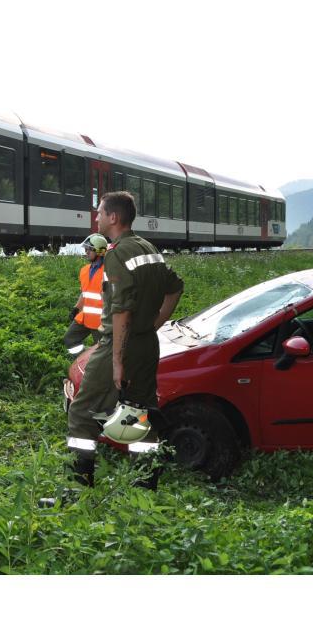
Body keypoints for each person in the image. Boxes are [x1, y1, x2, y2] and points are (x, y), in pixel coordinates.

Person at [61, 191, 183, 494]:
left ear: (113, 217)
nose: (97, 217)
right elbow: (175, 289)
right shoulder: (148, 248)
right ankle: (145, 487)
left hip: (120, 344)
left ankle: (78, 490)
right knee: (137, 412)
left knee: (81, 412)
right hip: (146, 345)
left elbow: (121, 310)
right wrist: (153, 324)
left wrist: (116, 359)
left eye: (100, 212)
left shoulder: (117, 254)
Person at [63, 233, 108, 357]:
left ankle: (93, 361)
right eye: (86, 249)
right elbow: (85, 293)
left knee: (103, 353)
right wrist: (76, 308)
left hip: (101, 321)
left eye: (89, 249)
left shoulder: (108, 271)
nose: (86, 251)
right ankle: (86, 359)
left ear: (99, 251)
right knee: (70, 339)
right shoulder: (84, 270)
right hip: (85, 317)